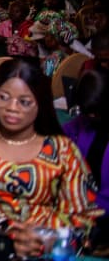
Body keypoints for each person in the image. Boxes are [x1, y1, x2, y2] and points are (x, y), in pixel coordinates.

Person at [0, 58, 103, 258]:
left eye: (24, 102)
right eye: (3, 97)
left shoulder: (62, 150)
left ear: (40, 104)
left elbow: (81, 215)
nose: (12, 107)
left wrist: (47, 240)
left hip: (48, 251)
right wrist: (6, 240)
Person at [63, 67, 109, 247]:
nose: (90, 115)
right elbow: (62, 135)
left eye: (94, 111)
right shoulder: (87, 121)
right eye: (86, 111)